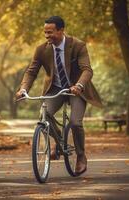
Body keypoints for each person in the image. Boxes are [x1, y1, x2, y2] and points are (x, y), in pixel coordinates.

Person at [16, 16, 102, 175]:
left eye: (50, 32)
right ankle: (59, 141)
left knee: (76, 123)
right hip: (55, 88)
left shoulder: (77, 45)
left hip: (76, 88)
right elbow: (31, 71)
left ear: (61, 30)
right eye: (45, 32)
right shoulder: (42, 49)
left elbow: (87, 69)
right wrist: (23, 89)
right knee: (45, 113)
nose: (47, 36)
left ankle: (81, 156)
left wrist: (79, 85)